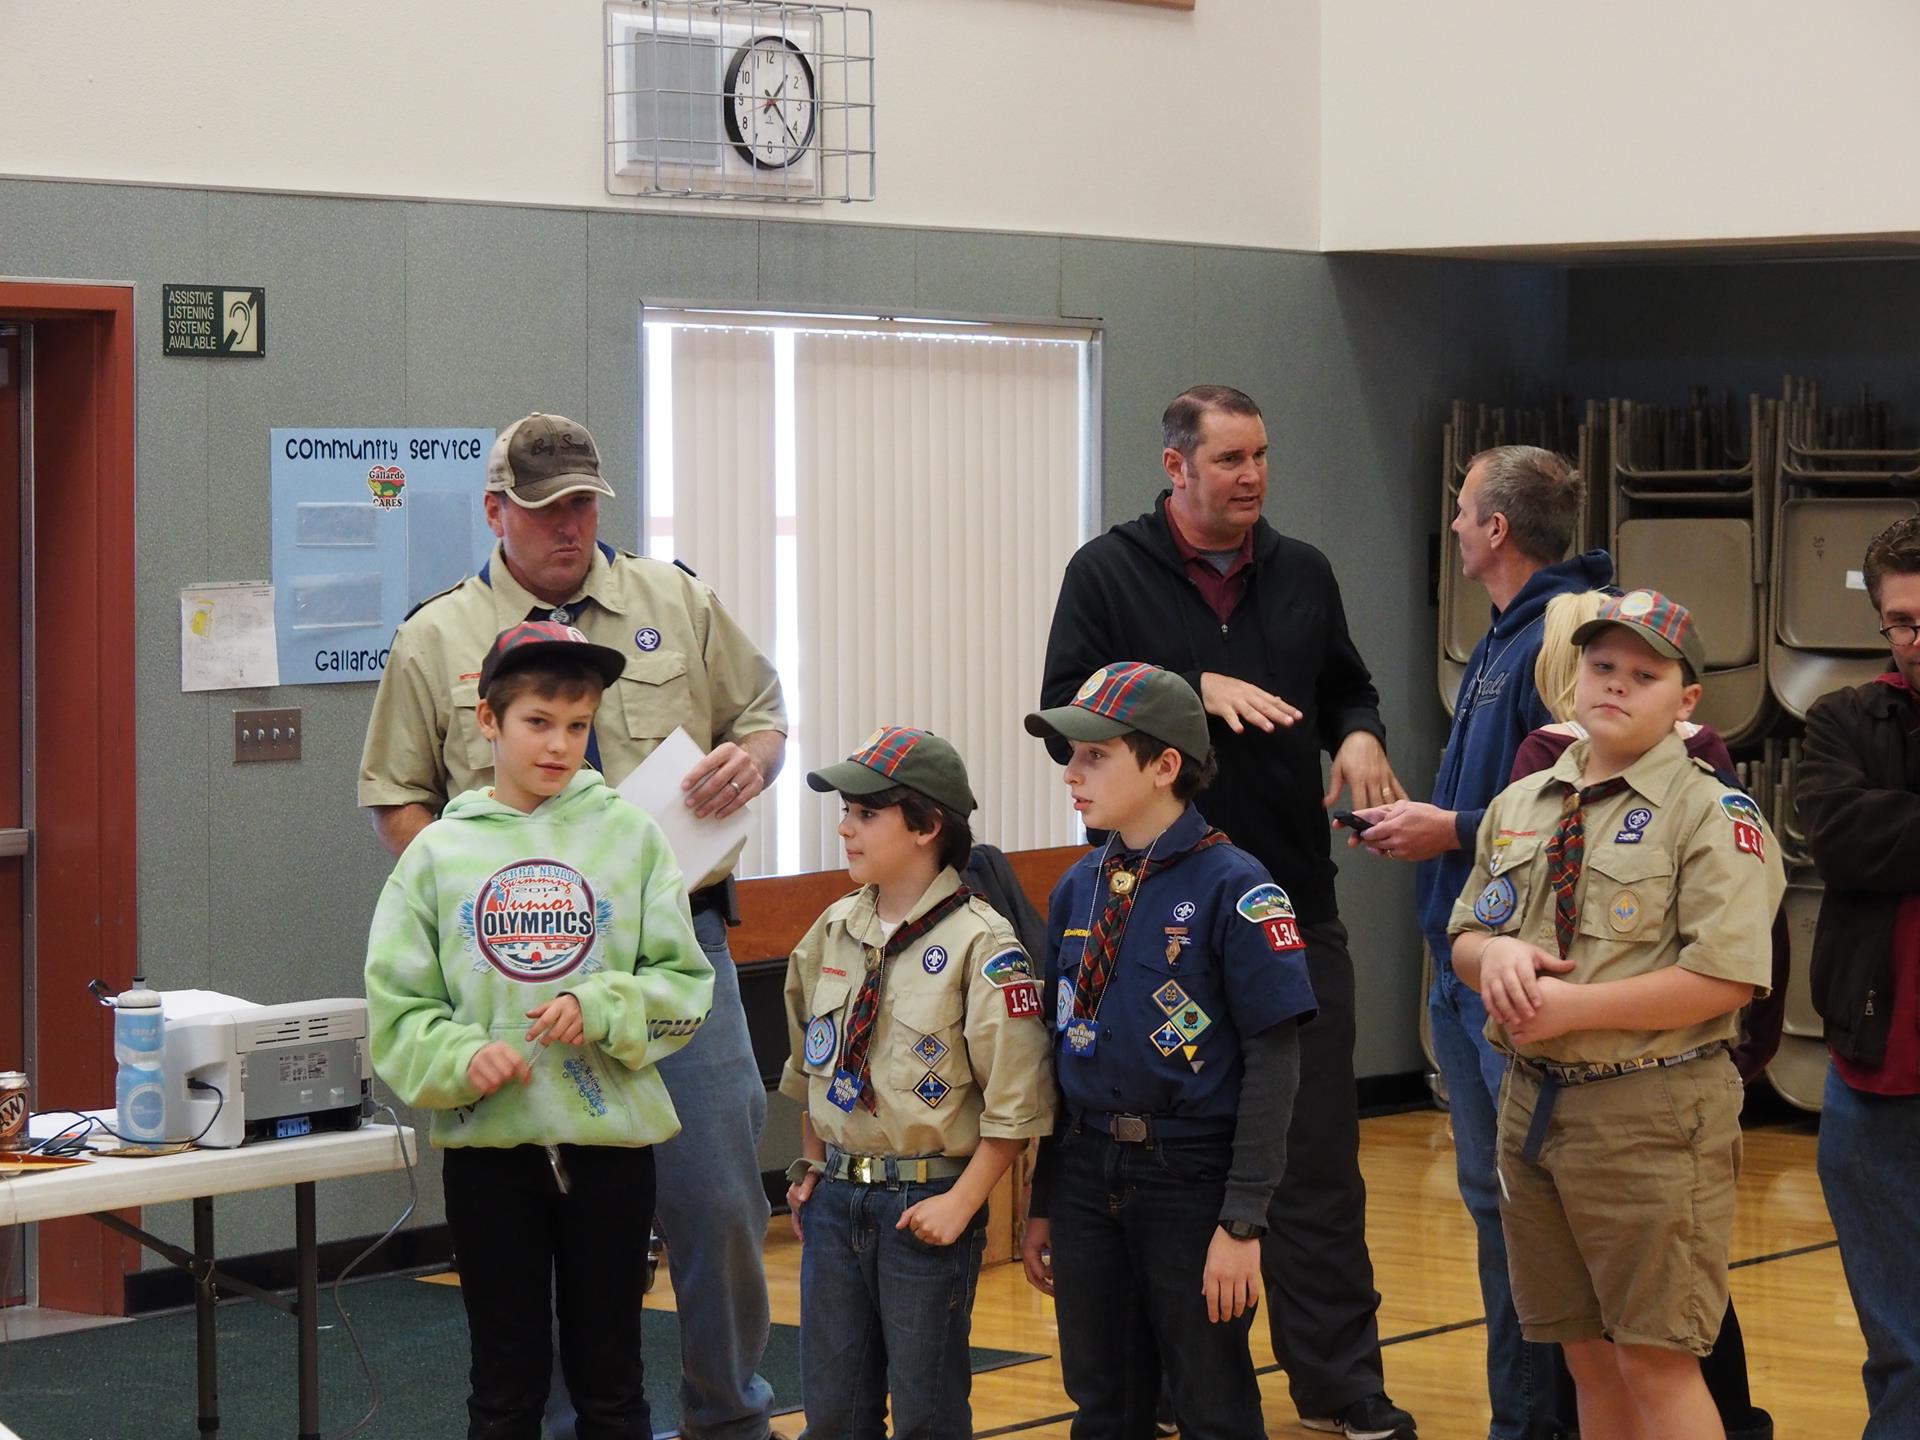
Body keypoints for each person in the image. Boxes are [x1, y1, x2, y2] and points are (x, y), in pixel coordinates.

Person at [358, 413, 786, 1440]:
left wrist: (753, 760)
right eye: (547, 508)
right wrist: (469, 905)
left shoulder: (673, 600)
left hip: (673, 950)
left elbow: (762, 717)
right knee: (533, 1227)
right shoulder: (437, 636)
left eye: (586, 504)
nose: (570, 525)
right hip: (513, 968)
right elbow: (398, 797)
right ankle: (551, 1424)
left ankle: (729, 1416)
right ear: (496, 511)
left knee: (719, 1198)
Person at [1039, 386, 1412, 1440]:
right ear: (1177, 466)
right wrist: (1187, 687)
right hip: (1147, 912)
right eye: (1230, 459)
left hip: (1286, 899)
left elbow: (1347, 687)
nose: (1252, 477)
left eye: (1261, 456)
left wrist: (1360, 732)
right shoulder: (1105, 572)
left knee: (1315, 1162)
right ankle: (1170, 1390)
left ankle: (1339, 1385)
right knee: (1162, 1168)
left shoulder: (1303, 572)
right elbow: (1066, 711)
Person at [364, 621, 716, 1439]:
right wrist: (458, 1055)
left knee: (612, 1379)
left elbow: (684, 988)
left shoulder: (631, 837)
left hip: (610, 1152)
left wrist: (603, 1007)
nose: (559, 745)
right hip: (490, 1156)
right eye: (537, 722)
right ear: (487, 721)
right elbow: (398, 1007)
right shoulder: (437, 854)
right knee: (504, 1383)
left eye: (578, 725)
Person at [1449, 590, 1785, 1440]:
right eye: (1602, 667)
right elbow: (1467, 933)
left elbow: (1726, 978)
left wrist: (1572, 1007)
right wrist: (1496, 957)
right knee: (1585, 1359)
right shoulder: (1524, 803)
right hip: (1534, 1104)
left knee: (1656, 1361)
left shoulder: (1712, 812)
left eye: (1644, 675)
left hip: (1651, 1110)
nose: (1616, 686)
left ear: (1686, 700)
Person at [1350, 446, 1604, 1440]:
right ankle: (1524, 1418)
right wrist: (1436, 823)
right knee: (1496, 1207)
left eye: (1462, 511)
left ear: (1496, 528)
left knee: (1531, 1211)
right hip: (1461, 958)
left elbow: (1579, 796)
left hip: (1518, 967)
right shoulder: (1503, 635)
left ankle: (1539, 1424)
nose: (1453, 526)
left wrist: (1448, 828)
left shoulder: (1567, 632)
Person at [1020, 662, 1316, 1440]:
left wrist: (1243, 1221)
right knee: (1102, 1398)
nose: (1072, 774)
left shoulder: (1236, 887)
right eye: (1071, 755)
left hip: (1190, 1174)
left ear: (1164, 766)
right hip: (1087, 1168)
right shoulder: (1079, 887)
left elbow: (1274, 1063)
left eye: (1095, 756)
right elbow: (1061, 1054)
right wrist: (1045, 1199)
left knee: (1211, 1398)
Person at [780, 727, 1054, 1439]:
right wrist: (811, 1166)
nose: (845, 827)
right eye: (845, 811)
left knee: (927, 1410)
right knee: (834, 1413)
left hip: (926, 1203)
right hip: (837, 1201)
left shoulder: (982, 943)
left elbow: (1017, 1105)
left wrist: (962, 1204)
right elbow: (813, 1064)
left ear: (927, 826)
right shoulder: (834, 930)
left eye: (866, 813)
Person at [1796, 514, 1920, 1439]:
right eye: (1902, 622)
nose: (1917, 640)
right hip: (1877, 1075)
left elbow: (1881, 833)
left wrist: (1897, 823)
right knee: (1902, 1345)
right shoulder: (1841, 719)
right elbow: (1842, 840)